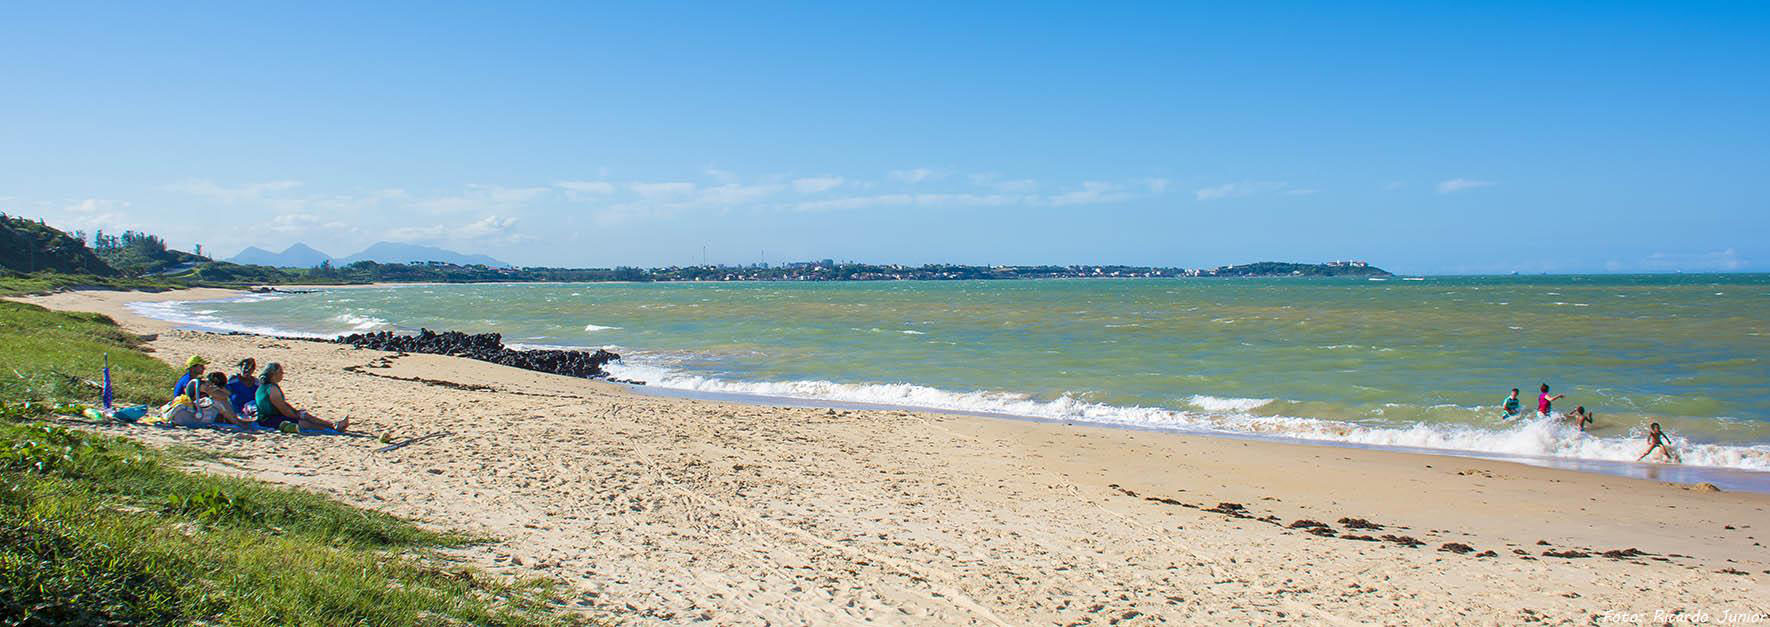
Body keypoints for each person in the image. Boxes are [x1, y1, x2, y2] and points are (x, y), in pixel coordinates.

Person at [254, 362, 348, 433]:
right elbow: (283, 409)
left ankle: (333, 425)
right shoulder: (272, 389)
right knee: (303, 422)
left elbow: (284, 405)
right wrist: (296, 415)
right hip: (269, 419)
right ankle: (331, 428)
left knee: (305, 416)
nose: (282, 374)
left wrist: (296, 412)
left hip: (272, 416)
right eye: (280, 372)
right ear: (273, 374)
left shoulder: (266, 387)